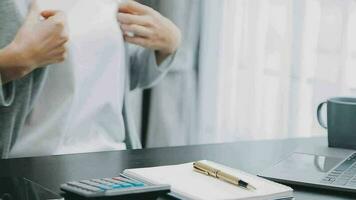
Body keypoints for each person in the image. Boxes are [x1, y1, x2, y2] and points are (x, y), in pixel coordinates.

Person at [0, 0, 181, 158]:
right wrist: (17, 60)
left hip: (111, 161)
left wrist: (167, 46)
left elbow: (119, 79)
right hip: (30, 167)